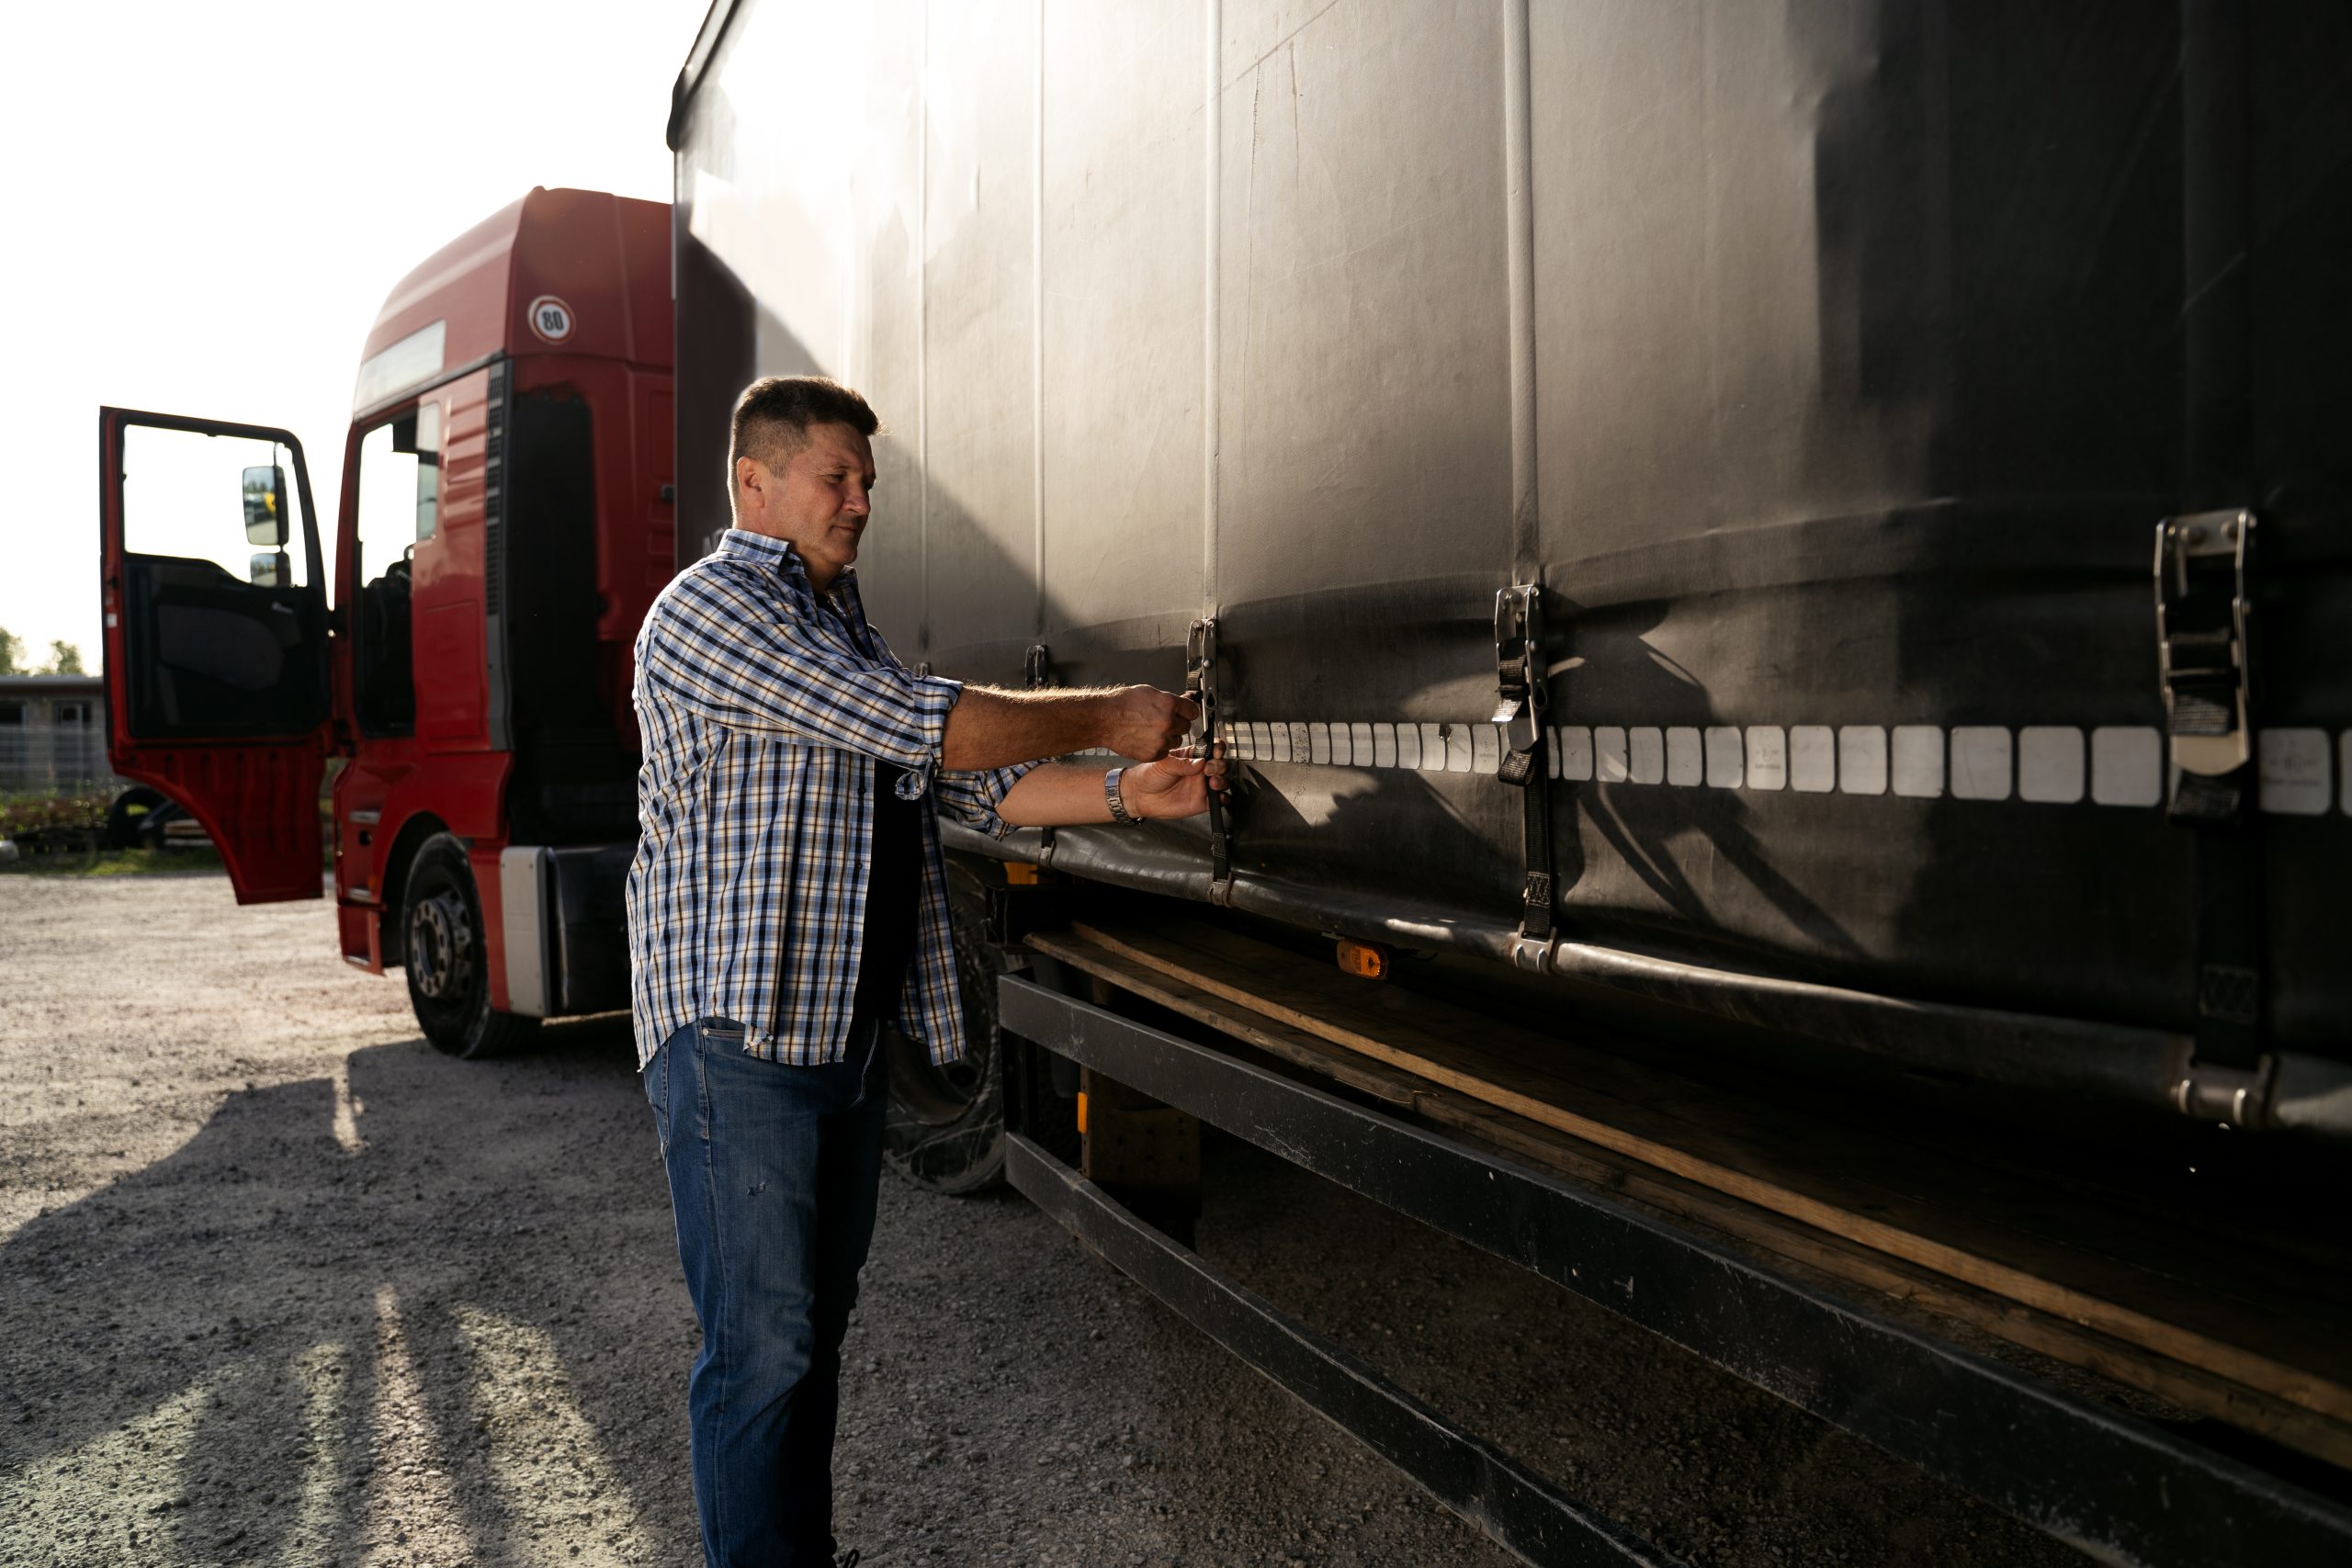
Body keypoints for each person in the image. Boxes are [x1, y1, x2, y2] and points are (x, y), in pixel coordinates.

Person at [628, 375, 1223, 1568]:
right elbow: (922, 726)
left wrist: (1125, 791)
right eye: (834, 477)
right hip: (737, 1039)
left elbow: (964, 785)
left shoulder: (835, 626)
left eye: (867, 481)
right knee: (765, 1346)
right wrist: (1107, 715)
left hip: (835, 1038)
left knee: (813, 1332)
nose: (859, 499)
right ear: (756, 486)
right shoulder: (710, 614)